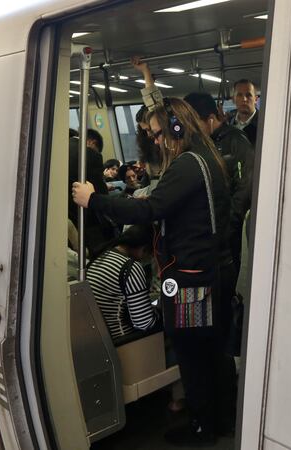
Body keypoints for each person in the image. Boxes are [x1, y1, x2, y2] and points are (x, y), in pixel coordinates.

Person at [72, 97, 236, 446]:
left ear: (177, 127)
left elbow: (150, 211)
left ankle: (201, 428)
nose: (157, 140)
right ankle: (221, 420)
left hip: (191, 279)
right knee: (213, 352)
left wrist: (94, 200)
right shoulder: (208, 159)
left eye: (159, 133)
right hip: (212, 271)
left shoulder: (187, 165)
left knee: (192, 356)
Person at [183, 92, 254, 278]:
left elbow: (244, 189)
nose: (192, 130)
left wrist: (228, 227)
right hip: (209, 229)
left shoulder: (236, 141)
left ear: (211, 119)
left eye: (195, 123)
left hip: (229, 230)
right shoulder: (201, 144)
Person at [87, 224, 159, 340]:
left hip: (103, 337)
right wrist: (158, 313)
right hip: (124, 338)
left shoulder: (102, 255)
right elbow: (144, 323)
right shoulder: (130, 268)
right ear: (144, 249)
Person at [228, 79, 259, 146]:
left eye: (249, 95)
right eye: (239, 95)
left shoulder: (264, 125)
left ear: (256, 99)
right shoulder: (227, 124)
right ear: (233, 99)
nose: (244, 99)